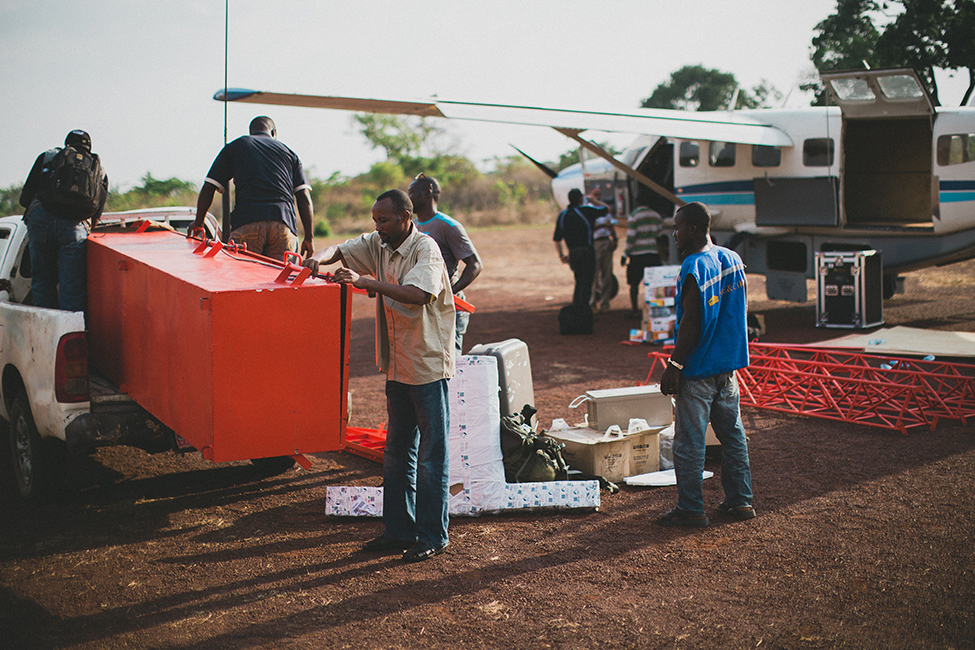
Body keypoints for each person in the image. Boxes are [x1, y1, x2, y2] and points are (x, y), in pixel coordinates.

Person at [303, 189, 455, 562]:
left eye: (383, 220)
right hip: (399, 364)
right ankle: (399, 530)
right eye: (374, 221)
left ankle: (433, 535)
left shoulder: (426, 250)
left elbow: (418, 294)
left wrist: (365, 283)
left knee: (432, 454)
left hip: (426, 364)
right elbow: (339, 248)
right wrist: (315, 259)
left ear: (406, 217)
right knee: (397, 451)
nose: (377, 227)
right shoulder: (380, 244)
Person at [657, 201, 754, 528]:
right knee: (733, 435)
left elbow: (692, 322)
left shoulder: (693, 267)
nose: (674, 234)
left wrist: (675, 365)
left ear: (693, 229)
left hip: (697, 369)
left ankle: (691, 509)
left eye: (678, 227)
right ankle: (740, 502)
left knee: (689, 442)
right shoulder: (732, 258)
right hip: (728, 367)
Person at [191, 116, 314, 262]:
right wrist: (309, 237)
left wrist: (198, 223)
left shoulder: (236, 146)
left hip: (247, 221)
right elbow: (304, 196)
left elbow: (209, 186)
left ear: (251, 132)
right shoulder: (289, 153)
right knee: (280, 281)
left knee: (244, 281)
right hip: (284, 224)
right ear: (274, 132)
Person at [19, 129, 108, 312]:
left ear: (66, 143)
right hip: (74, 227)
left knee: (42, 279)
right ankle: (69, 332)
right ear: (89, 148)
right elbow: (96, 212)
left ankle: (44, 330)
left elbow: (24, 198)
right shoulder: (98, 168)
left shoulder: (48, 156)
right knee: (72, 286)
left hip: (41, 221)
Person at [408, 173, 482, 353]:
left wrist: (449, 293)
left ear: (427, 194)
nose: (407, 198)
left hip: (448, 308)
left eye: (411, 193)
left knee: (449, 364)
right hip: (426, 306)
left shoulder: (448, 226)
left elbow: (475, 264)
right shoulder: (412, 227)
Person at [554, 188, 610, 309]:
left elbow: (557, 239)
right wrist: (594, 201)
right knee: (587, 283)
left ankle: (576, 309)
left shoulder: (563, 215)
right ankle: (583, 311)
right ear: (580, 199)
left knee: (578, 281)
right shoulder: (586, 211)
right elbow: (606, 209)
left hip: (573, 253)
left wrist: (561, 255)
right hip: (587, 251)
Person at [621, 203, 663, 319]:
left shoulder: (634, 216)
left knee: (634, 284)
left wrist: (625, 254)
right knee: (655, 284)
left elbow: (631, 237)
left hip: (637, 255)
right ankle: (655, 309)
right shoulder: (656, 216)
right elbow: (659, 234)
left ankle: (634, 309)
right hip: (653, 253)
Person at [587, 187, 618, 313]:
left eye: (599, 194)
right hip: (594, 243)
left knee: (607, 274)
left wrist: (614, 238)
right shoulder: (588, 210)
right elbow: (589, 227)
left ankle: (605, 303)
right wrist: (602, 225)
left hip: (605, 241)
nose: (598, 197)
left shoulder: (604, 209)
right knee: (593, 275)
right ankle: (592, 303)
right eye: (595, 195)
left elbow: (610, 224)